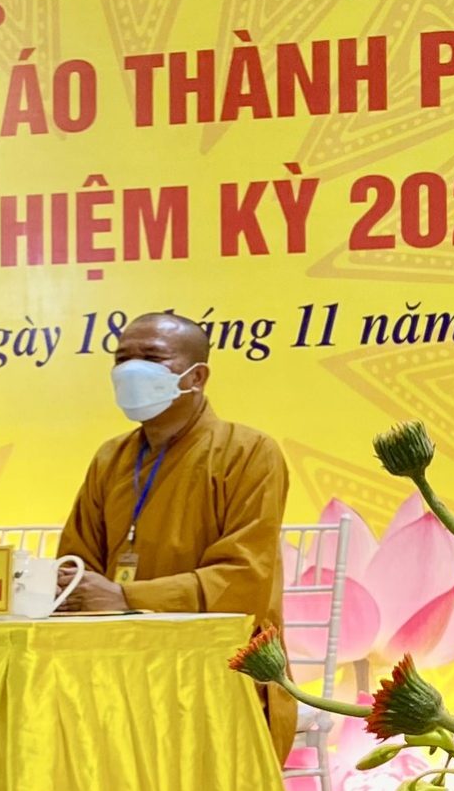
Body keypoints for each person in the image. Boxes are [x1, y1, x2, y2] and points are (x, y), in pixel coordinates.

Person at [57, 312, 294, 753]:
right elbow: (75, 565)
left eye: (151, 358)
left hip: (215, 668)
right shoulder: (110, 458)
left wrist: (126, 598)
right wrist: (80, 592)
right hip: (116, 661)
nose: (132, 370)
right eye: (122, 359)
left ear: (196, 376)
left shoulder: (249, 453)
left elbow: (243, 581)